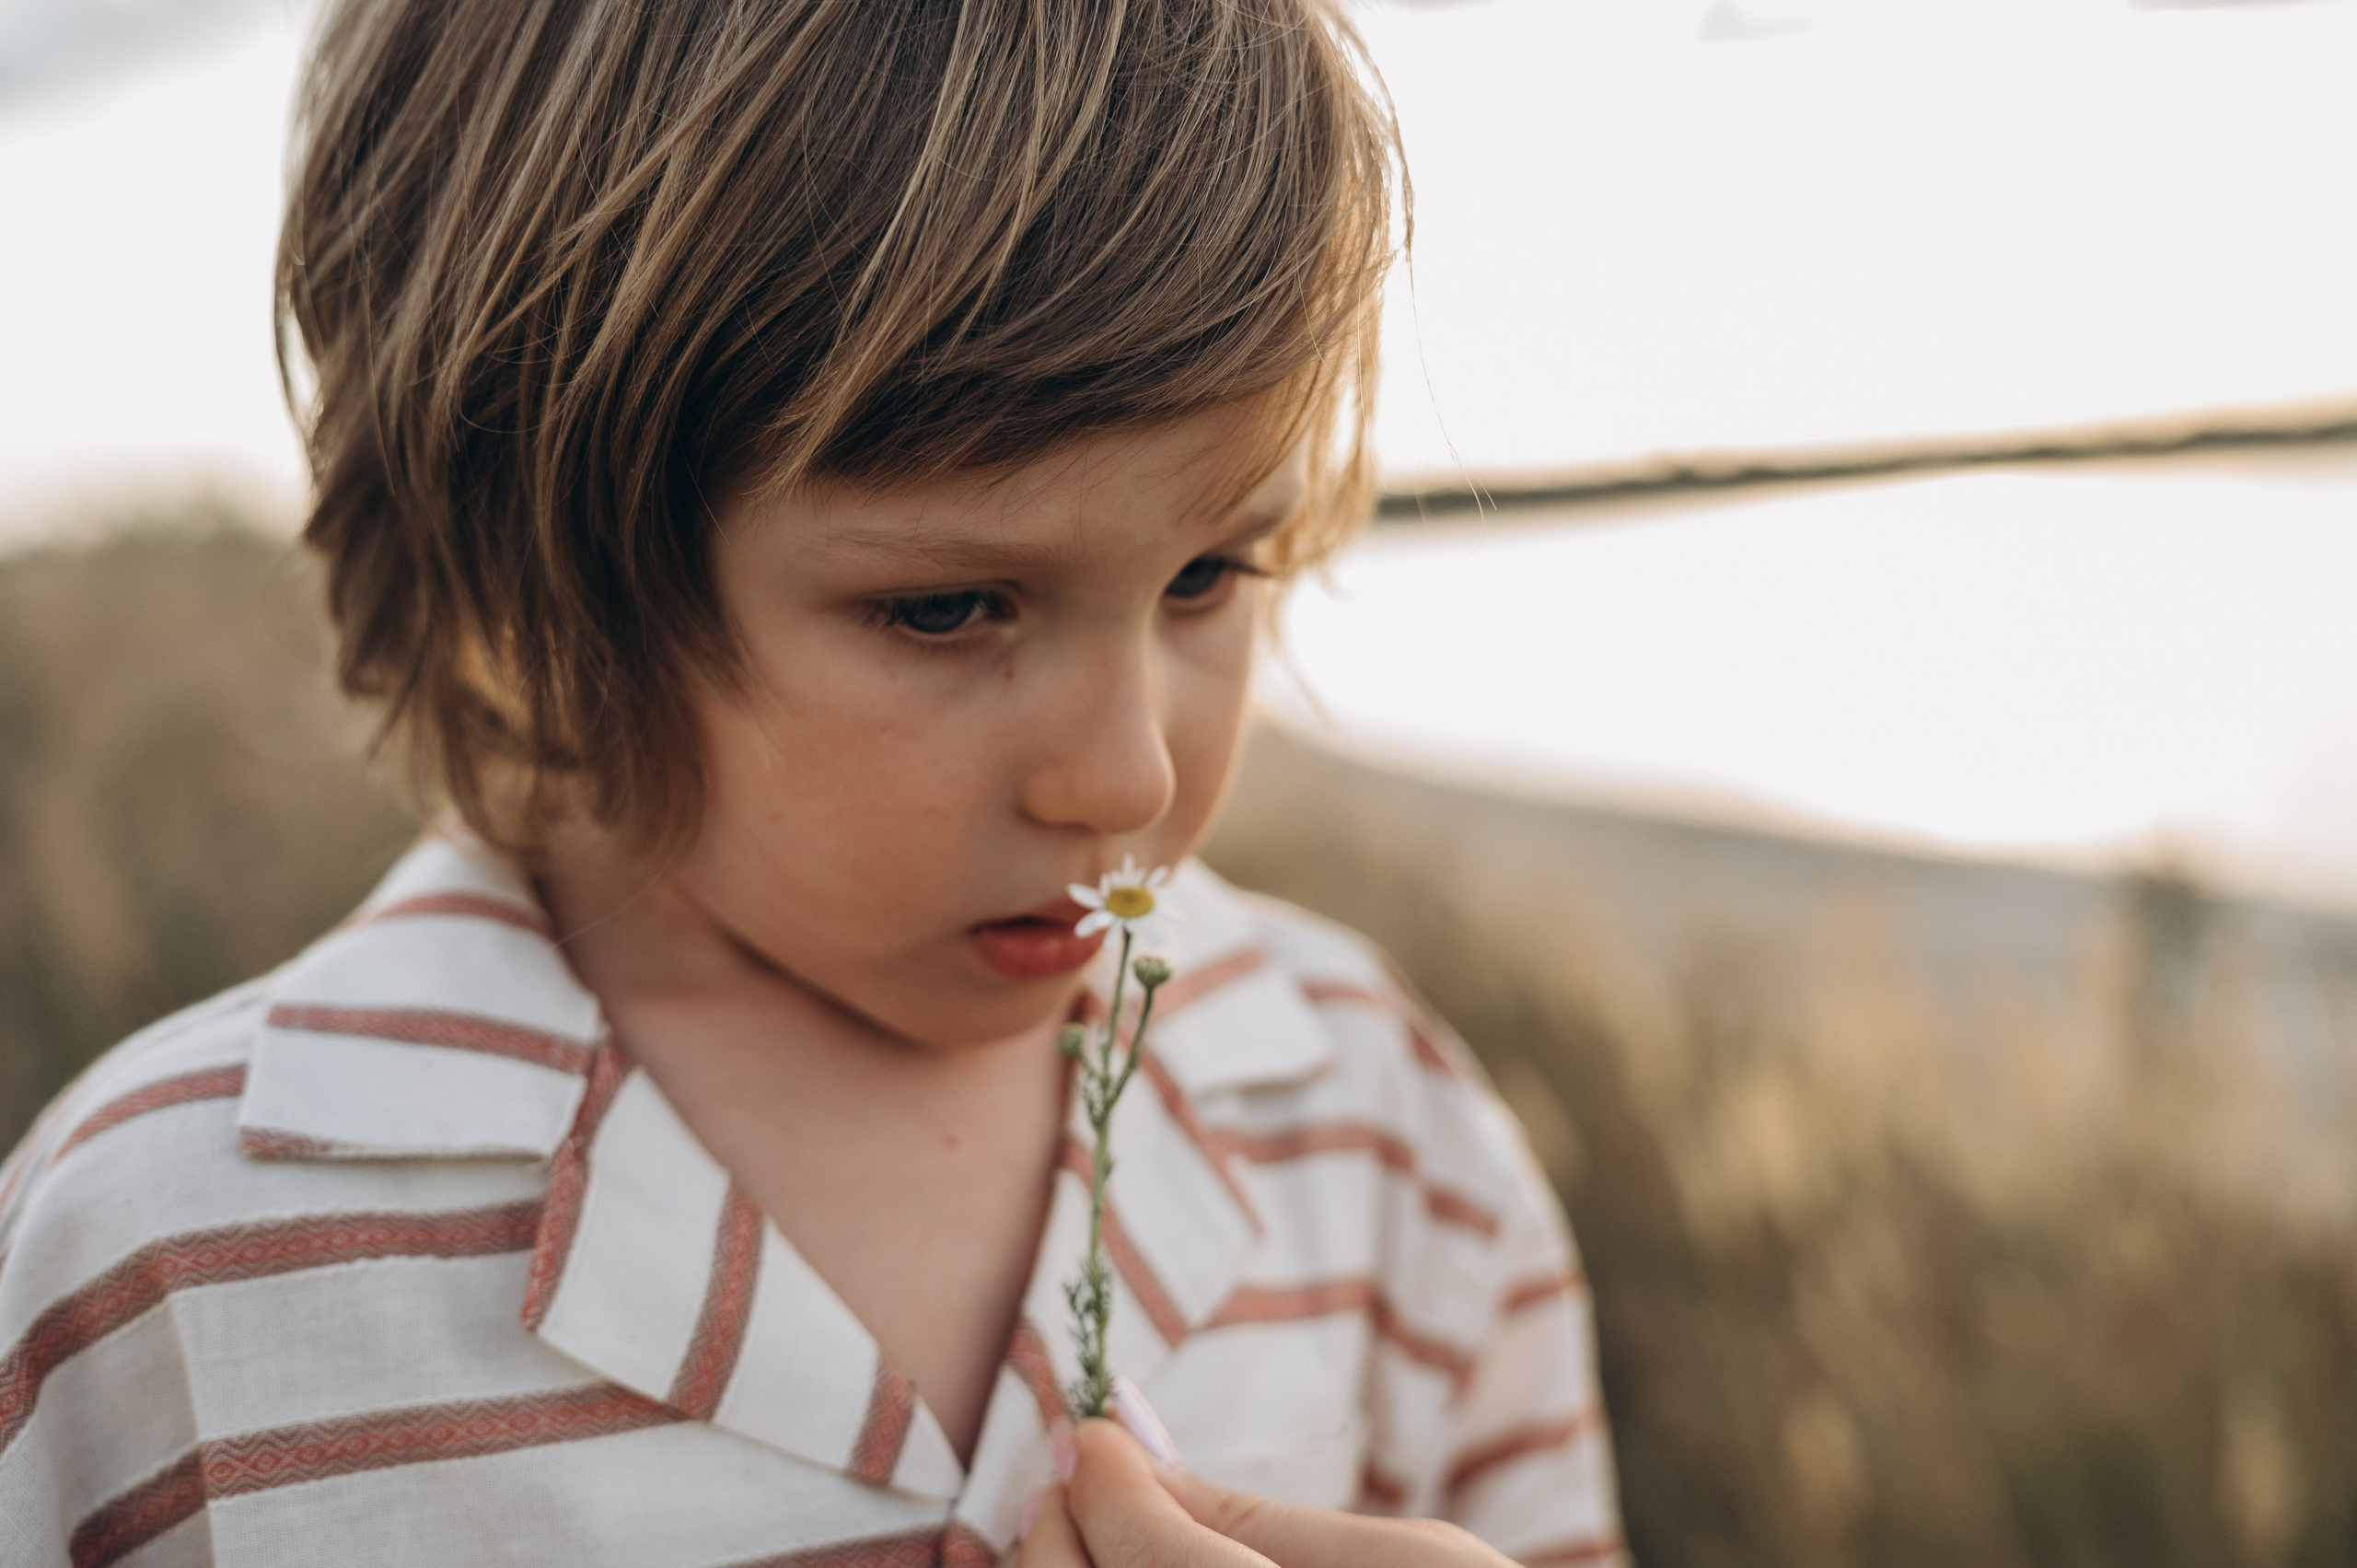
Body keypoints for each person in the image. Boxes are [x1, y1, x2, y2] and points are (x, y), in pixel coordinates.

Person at [0, 2, 1624, 1563]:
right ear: (538, 577)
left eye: (1210, 574)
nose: (1124, 775)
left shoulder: (1376, 1124)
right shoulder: (170, 1258)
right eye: (944, 607)